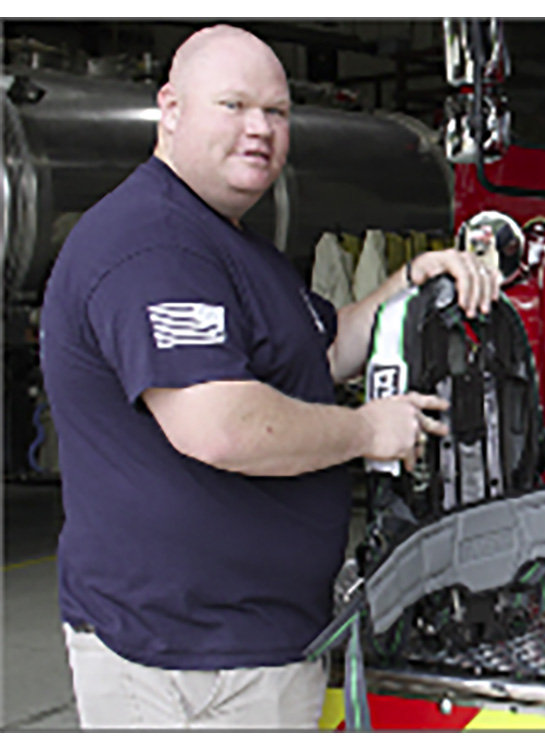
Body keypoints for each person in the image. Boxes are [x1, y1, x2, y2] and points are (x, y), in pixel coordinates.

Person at [39, 25, 501, 729]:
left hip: (249, 644)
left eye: (276, 112)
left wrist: (412, 280)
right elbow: (221, 427)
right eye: (234, 105)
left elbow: (321, 353)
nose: (259, 129)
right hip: (188, 662)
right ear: (171, 109)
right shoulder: (153, 243)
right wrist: (368, 430)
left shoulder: (232, 243)